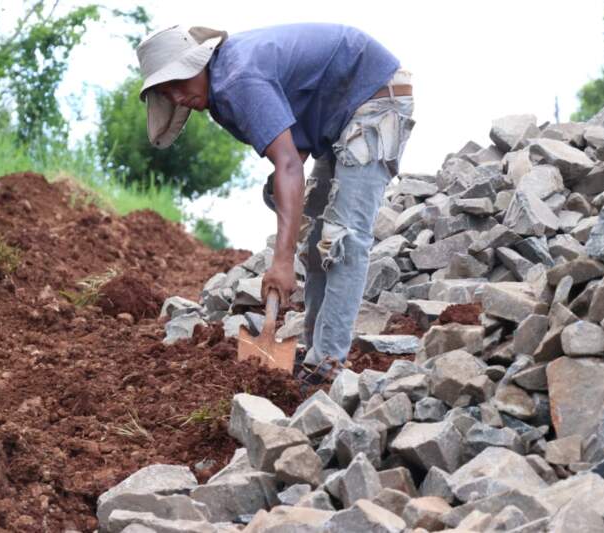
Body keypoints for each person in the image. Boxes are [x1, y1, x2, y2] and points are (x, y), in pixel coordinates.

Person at [136, 23, 415, 383]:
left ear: (199, 63)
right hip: (337, 117)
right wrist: (285, 192)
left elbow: (287, 164)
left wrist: (282, 261)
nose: (176, 97)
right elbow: (291, 146)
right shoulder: (220, 94)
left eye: (178, 83)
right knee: (317, 238)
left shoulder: (236, 80)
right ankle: (316, 353)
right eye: (165, 91)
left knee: (344, 235)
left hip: (374, 97)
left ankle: (328, 362)